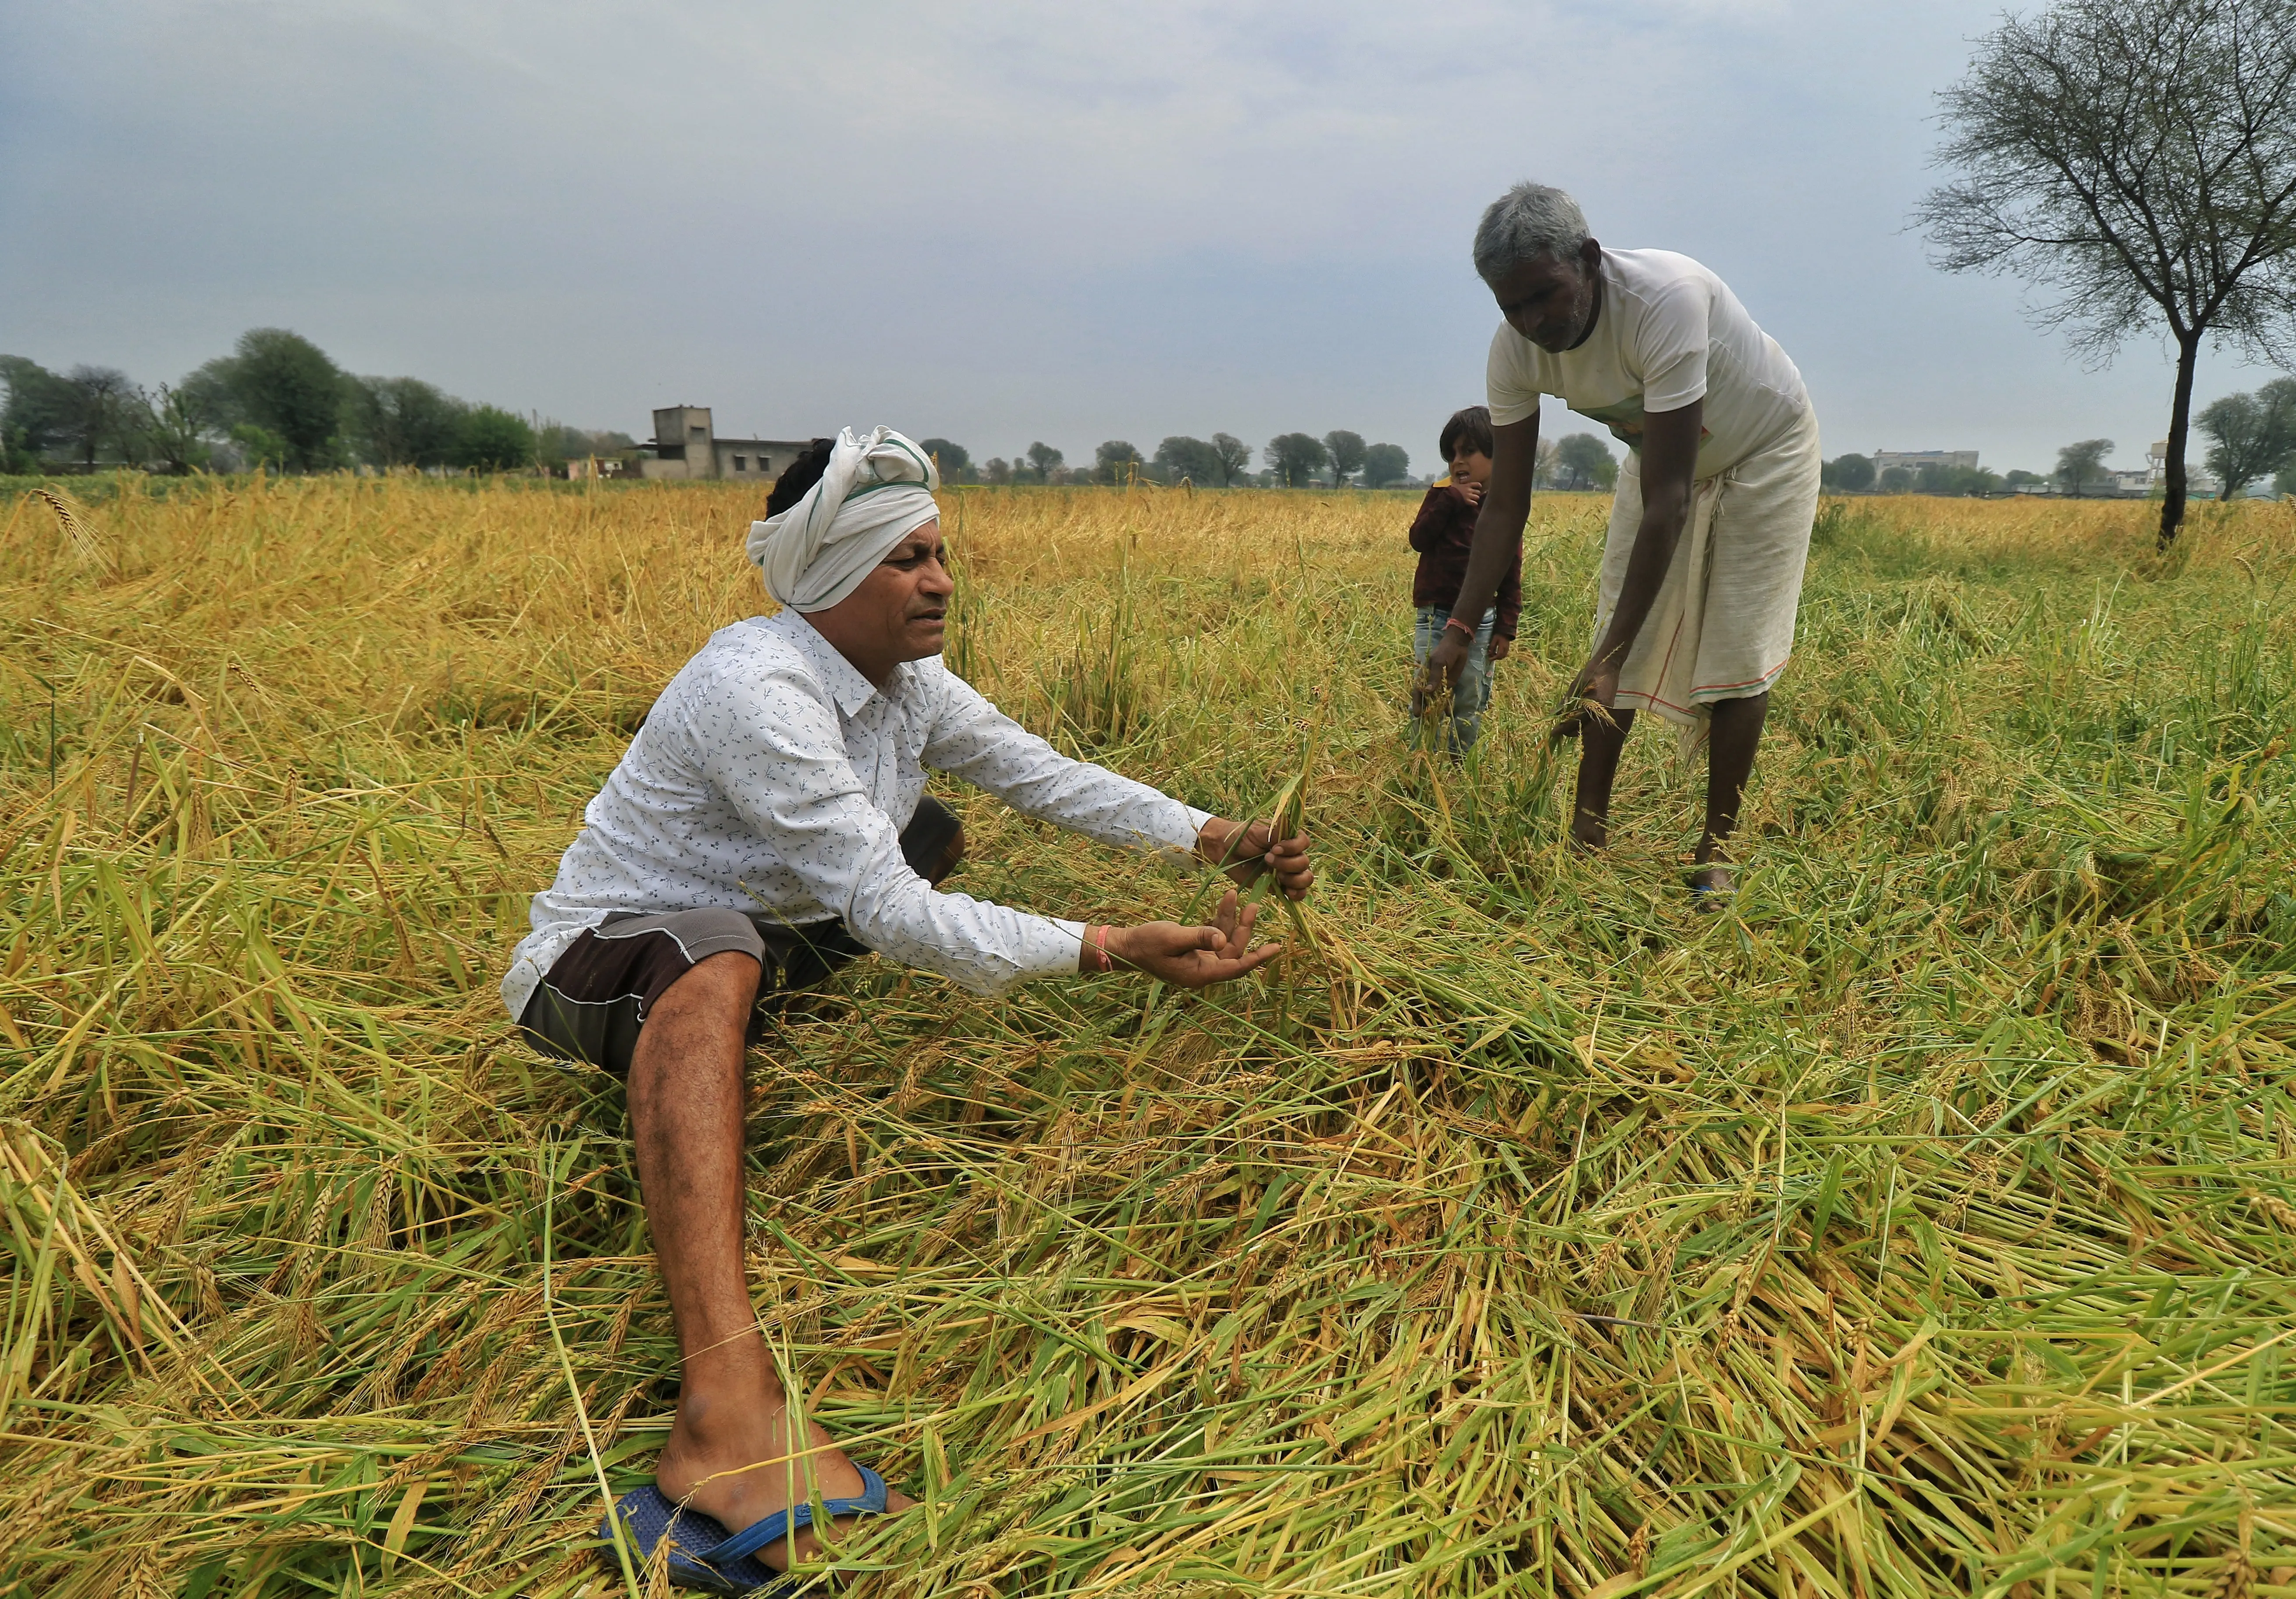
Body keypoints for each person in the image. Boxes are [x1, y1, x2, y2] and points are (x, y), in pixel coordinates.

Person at [503, 427, 1316, 1588]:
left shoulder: (902, 686)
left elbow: (1042, 773)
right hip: (601, 964)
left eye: (940, 553)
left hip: (752, 939)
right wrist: (1106, 947)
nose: (941, 579)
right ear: (831, 577)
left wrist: (1215, 838)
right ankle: (722, 1414)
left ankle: (735, 1030)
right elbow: (882, 907)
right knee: (734, 947)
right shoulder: (756, 689)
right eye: (906, 560)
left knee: (928, 829)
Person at [1421, 183, 1817, 906]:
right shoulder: (1515, 351)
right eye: (1512, 306)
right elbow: (1506, 503)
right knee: (1618, 638)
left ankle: (1715, 851)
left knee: (1737, 643)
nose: (1534, 321)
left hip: (1763, 448)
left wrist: (1602, 658)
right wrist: (1457, 630)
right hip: (1660, 457)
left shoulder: (1666, 302)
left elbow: (1667, 499)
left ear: (1590, 260)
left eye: (1546, 294)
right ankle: (1586, 835)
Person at [1405, 405, 1522, 753]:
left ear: (1496, 453)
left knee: (1469, 699)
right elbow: (1419, 539)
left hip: (1482, 623)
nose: (1458, 461)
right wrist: (1452, 502)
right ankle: (1420, 764)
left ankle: (1459, 767)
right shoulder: (1441, 494)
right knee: (1427, 693)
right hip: (1435, 615)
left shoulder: (1504, 504)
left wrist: (1506, 626)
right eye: (1452, 453)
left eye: (1468, 451)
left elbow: (1511, 568)